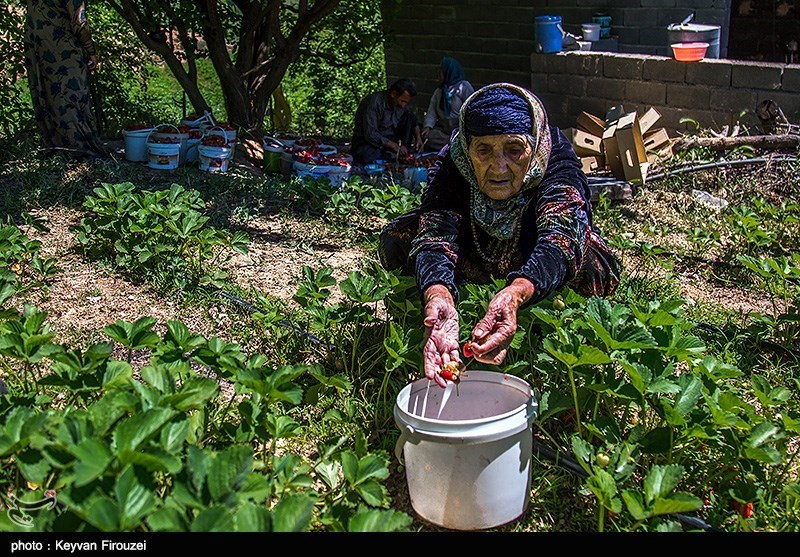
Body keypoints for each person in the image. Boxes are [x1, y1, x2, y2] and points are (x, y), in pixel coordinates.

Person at [379, 82, 621, 388]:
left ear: (534, 146)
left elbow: (561, 236)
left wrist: (517, 292)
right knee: (400, 237)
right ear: (468, 149)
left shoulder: (556, 157)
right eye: (483, 150)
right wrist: (438, 292)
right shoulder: (454, 162)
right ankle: (458, 296)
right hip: (477, 250)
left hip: (533, 253)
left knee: (590, 264)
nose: (499, 167)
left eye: (514, 149)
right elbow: (435, 233)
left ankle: (540, 311)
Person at [23, 0, 106, 157]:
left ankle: (55, 146)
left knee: (46, 92)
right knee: (71, 93)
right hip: (60, 45)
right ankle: (78, 149)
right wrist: (91, 51)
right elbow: (80, 23)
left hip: (36, 42)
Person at [351, 78, 423, 165]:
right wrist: (394, 146)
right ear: (393, 94)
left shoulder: (400, 104)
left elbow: (413, 119)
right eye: (402, 101)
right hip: (368, 143)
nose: (403, 105)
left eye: (406, 102)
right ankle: (391, 155)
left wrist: (418, 137)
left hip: (390, 140)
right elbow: (371, 134)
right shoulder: (374, 103)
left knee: (409, 117)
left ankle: (401, 154)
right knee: (369, 155)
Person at [421, 56, 474, 153]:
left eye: (441, 71)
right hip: (444, 131)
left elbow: (472, 109)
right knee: (428, 138)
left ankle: (454, 145)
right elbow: (431, 112)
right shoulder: (439, 91)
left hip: (459, 131)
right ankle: (451, 146)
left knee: (464, 141)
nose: (439, 74)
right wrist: (428, 127)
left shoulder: (464, 86)